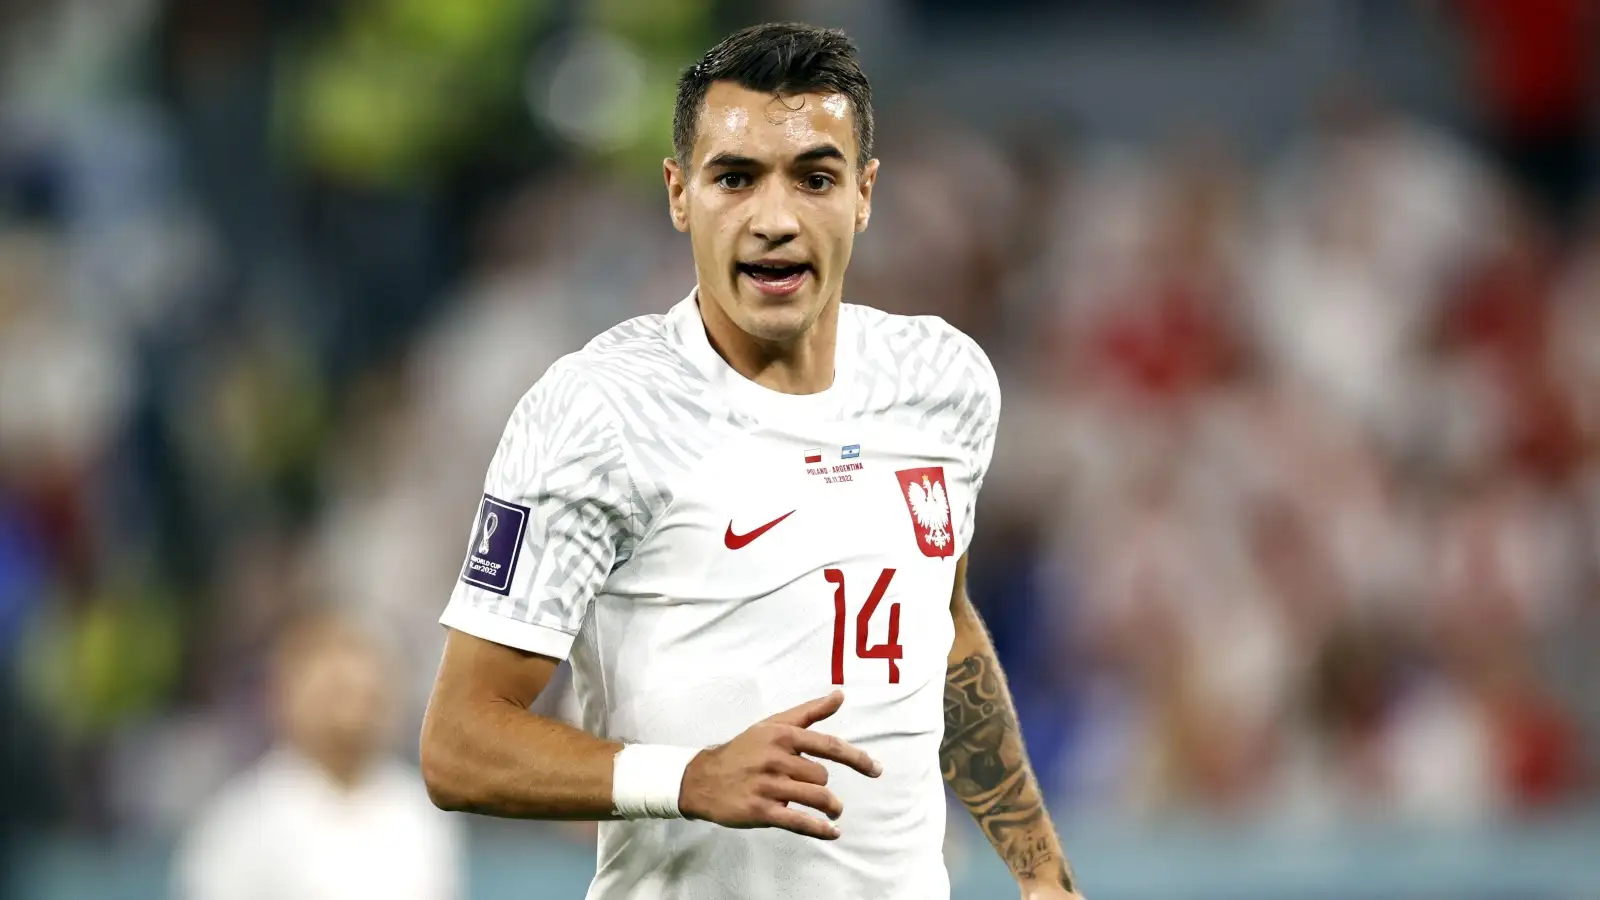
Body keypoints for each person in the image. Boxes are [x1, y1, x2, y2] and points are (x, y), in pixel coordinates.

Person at [421, 22, 1084, 900]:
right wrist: (687, 778)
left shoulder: (942, 380)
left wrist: (1042, 874)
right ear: (679, 194)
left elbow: (945, 627)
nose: (775, 220)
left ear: (864, 194)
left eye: (815, 178)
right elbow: (460, 743)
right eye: (735, 178)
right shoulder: (598, 411)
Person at [176, 612, 464, 900]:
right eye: (335, 693)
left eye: (367, 696)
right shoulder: (241, 822)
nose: (352, 713)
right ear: (285, 696)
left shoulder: (420, 812)